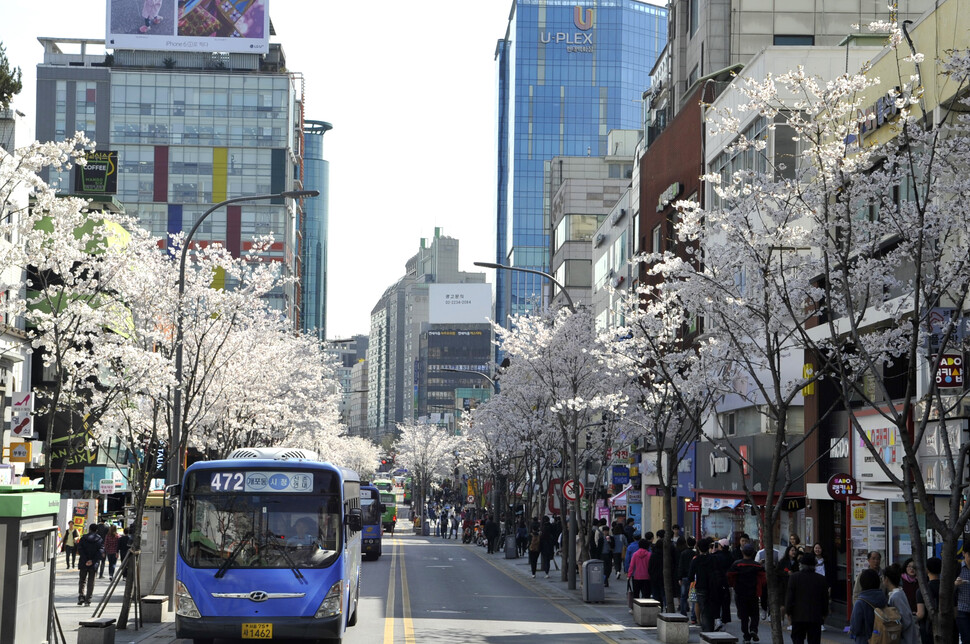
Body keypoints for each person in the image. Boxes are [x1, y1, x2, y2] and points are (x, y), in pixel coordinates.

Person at [786, 552, 830, 644]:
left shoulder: (794, 577)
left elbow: (790, 597)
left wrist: (788, 611)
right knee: (814, 640)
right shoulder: (821, 579)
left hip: (798, 615)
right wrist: (824, 613)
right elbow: (825, 599)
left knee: (797, 639)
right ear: (814, 565)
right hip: (815, 616)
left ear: (801, 565)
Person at [727, 543, 767, 644]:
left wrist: (733, 585)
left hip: (740, 594)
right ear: (753, 553)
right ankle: (753, 629)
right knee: (754, 614)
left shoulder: (737, 564)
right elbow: (763, 580)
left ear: (742, 552)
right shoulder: (757, 566)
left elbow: (730, 576)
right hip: (753, 593)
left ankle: (746, 636)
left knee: (743, 616)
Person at [688, 537, 718, 632]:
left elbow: (690, 576)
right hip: (712, 587)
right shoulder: (713, 559)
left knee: (704, 610)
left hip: (700, 587)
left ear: (699, 548)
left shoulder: (696, 560)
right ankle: (711, 629)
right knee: (711, 608)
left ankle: (706, 631)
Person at [884, 563, 919, 644]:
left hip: (905, 638)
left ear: (886, 579)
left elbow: (905, 619)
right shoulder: (898, 593)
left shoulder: (896, 597)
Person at [850, 568, 886, 644]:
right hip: (882, 638)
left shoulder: (860, 602)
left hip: (865, 639)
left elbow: (856, 627)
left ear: (862, 583)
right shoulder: (883, 599)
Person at [916, 557, 941, 644]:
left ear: (927, 569)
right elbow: (955, 612)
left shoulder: (922, 590)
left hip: (927, 629)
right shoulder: (947, 588)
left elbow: (921, 614)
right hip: (946, 628)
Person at [77, 524, 104, 606]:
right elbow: (101, 551)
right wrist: (92, 561)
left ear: (89, 529)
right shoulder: (99, 539)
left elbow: (80, 549)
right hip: (93, 564)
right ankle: (88, 599)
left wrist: (86, 560)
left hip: (83, 562)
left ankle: (81, 596)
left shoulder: (83, 538)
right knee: (91, 581)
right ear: (96, 530)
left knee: (82, 580)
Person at [678, 536, 697, 619]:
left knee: (683, 596)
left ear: (687, 543)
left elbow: (680, 566)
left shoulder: (683, 553)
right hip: (693, 578)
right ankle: (693, 616)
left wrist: (679, 577)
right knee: (693, 597)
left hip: (684, 577)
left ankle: (683, 613)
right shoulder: (696, 553)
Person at [649, 530, 666, 605]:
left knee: (655, 593)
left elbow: (650, 567)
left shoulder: (653, 555)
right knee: (663, 593)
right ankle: (666, 606)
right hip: (664, 577)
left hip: (654, 577)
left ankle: (657, 607)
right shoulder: (666, 556)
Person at [957, 549, 970, 644]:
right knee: (966, 638)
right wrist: (956, 583)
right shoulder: (958, 568)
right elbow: (947, 588)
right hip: (962, 608)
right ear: (963, 553)